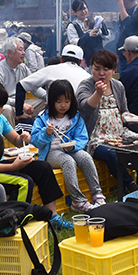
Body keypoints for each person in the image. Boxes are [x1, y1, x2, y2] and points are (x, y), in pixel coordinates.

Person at [0, 79, 69, 228]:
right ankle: (14, 222)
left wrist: (24, 137)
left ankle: (53, 216)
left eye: (0, 107)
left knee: (43, 168)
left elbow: (16, 140)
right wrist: (13, 167)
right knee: (23, 182)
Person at [31, 80, 106, 212]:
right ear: (51, 101)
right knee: (68, 162)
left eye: (67, 101)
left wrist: (74, 146)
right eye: (58, 101)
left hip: (71, 149)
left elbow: (82, 138)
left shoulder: (75, 117)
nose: (63, 105)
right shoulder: (43, 118)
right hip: (51, 152)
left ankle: (97, 194)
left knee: (85, 157)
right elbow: (35, 140)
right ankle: (77, 200)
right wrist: (46, 133)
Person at [76, 49, 138, 193]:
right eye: (97, 69)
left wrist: (128, 117)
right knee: (112, 153)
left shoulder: (117, 86)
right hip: (95, 139)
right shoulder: (86, 85)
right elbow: (85, 107)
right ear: (91, 68)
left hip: (119, 133)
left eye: (106, 69)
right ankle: (129, 185)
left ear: (113, 70)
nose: (101, 73)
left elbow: (123, 110)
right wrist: (98, 93)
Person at [15, 45, 90, 117]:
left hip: (53, 118)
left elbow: (21, 85)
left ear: (61, 59)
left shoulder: (50, 70)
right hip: (80, 119)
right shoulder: (88, 76)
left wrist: (19, 113)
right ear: (80, 62)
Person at [0, 36, 33, 124]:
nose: (24, 53)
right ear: (10, 53)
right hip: (7, 104)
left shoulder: (22, 67)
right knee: (6, 109)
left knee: (44, 102)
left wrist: (48, 96)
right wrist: (20, 104)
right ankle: (11, 136)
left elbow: (34, 86)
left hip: (21, 103)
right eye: (20, 50)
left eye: (24, 50)